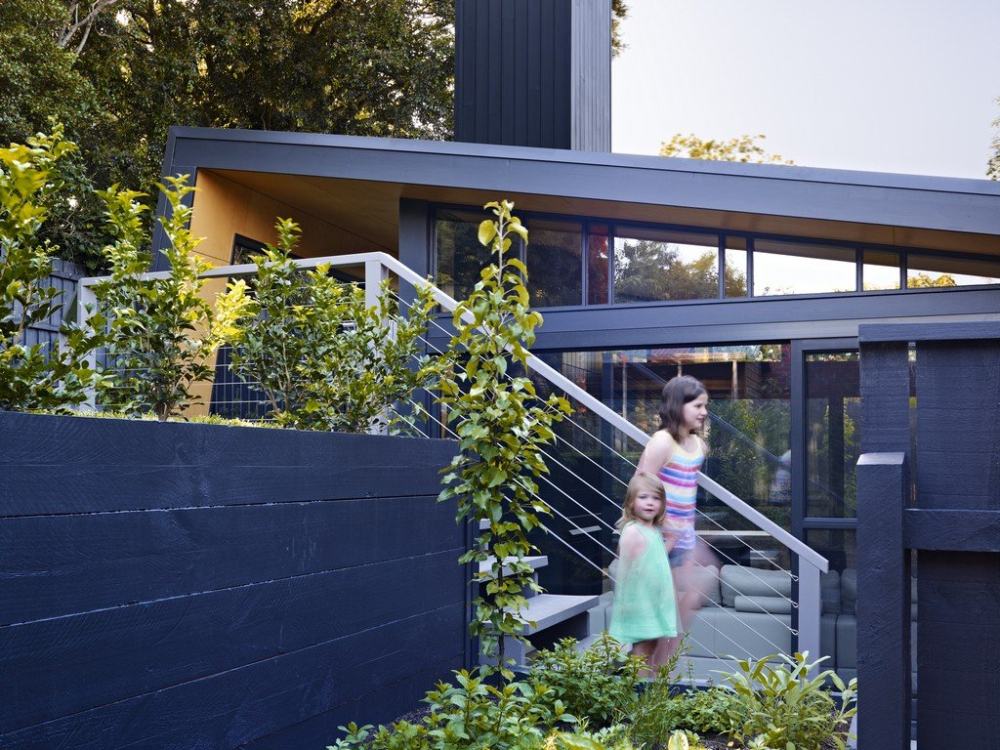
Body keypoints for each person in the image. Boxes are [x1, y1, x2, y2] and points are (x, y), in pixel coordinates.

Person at [635, 374, 712, 663]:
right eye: (698, 406)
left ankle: (661, 666)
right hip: (660, 539)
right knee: (657, 616)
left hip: (684, 538)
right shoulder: (661, 442)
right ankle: (647, 675)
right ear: (679, 406)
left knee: (694, 593)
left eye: (705, 406)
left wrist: (684, 533)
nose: (704, 412)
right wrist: (663, 528)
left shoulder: (697, 446)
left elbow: (686, 489)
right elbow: (641, 487)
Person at [608, 472, 678, 677]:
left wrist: (671, 541)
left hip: (654, 601)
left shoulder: (652, 530)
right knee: (642, 650)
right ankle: (636, 692)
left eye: (656, 498)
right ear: (631, 502)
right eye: (643, 497)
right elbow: (625, 569)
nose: (650, 503)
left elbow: (654, 559)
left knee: (651, 646)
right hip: (640, 602)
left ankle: (642, 688)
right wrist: (626, 604)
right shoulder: (632, 531)